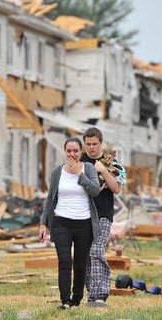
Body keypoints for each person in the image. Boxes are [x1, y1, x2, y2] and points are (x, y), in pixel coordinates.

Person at [39, 137, 100, 309]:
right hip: (61, 222)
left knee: (80, 263)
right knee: (64, 261)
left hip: (84, 223)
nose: (72, 154)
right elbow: (50, 198)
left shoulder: (88, 168)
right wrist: (44, 223)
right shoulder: (57, 172)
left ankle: (76, 300)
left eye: (75, 151)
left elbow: (95, 191)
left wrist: (79, 174)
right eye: (69, 151)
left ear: (81, 152)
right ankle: (65, 300)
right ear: (65, 152)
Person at [81, 127, 127, 308]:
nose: (91, 148)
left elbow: (117, 189)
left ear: (101, 143)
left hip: (103, 215)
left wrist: (103, 171)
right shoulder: (79, 161)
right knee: (83, 256)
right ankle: (91, 293)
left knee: (96, 251)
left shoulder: (110, 161)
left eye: (95, 144)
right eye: (88, 144)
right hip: (81, 215)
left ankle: (100, 295)